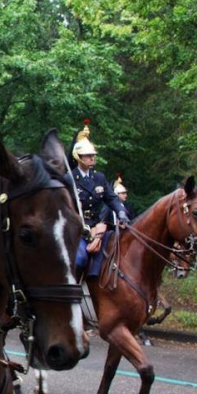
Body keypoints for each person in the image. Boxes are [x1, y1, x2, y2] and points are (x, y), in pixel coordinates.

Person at [65, 120, 129, 280]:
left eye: (93, 155)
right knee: (80, 260)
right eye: (88, 155)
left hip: (97, 227)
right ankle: (74, 290)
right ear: (78, 157)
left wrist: (121, 212)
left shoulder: (99, 177)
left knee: (116, 254)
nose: (92, 158)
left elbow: (112, 198)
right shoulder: (69, 179)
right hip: (76, 228)